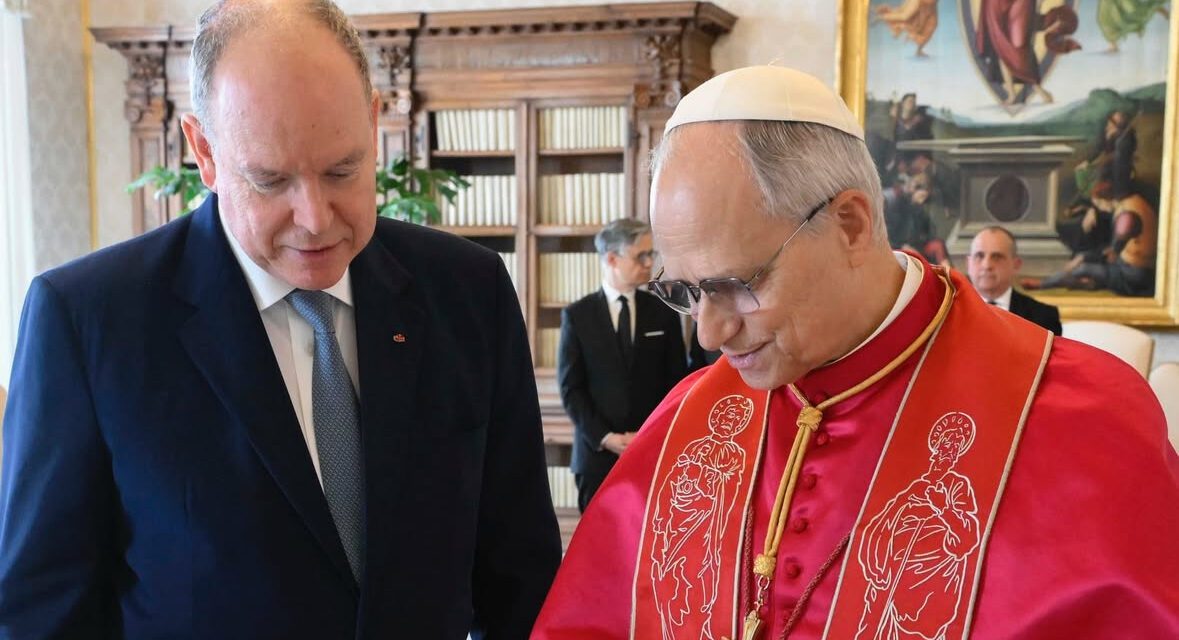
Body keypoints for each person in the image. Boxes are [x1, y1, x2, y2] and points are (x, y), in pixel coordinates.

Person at [531, 65, 1179, 639]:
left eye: (736, 284)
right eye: (683, 291)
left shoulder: (1080, 414)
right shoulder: (687, 420)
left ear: (850, 223)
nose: (708, 333)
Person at [0, 1, 560, 637]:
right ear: (204, 152)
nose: (315, 217)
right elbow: (42, 615)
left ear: (375, 125)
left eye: (342, 170)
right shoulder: (87, 322)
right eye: (269, 181)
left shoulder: (469, 291)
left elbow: (522, 578)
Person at [557, 219, 687, 512]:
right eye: (641, 256)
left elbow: (677, 382)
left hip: (653, 452)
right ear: (612, 258)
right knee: (598, 549)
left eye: (651, 255)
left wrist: (649, 435)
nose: (649, 263)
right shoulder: (577, 316)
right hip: (596, 456)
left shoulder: (663, 313)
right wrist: (607, 438)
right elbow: (571, 389)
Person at [966, 226, 1061, 335]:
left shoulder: (1044, 317)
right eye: (979, 256)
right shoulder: (948, 313)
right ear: (968, 263)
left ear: (1016, 264)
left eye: (997, 257)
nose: (987, 265)